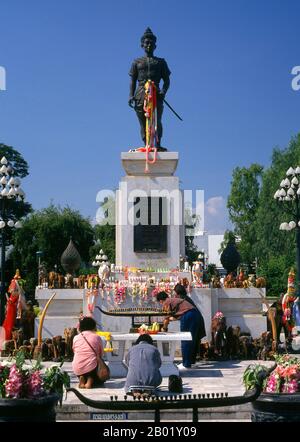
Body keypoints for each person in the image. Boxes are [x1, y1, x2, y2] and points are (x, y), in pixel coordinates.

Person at [128, 27, 171, 150]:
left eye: (151, 43)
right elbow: (132, 80)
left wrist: (163, 92)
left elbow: (167, 80)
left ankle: (157, 144)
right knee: (142, 121)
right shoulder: (137, 62)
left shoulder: (161, 62)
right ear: (142, 45)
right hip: (141, 93)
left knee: (157, 120)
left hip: (156, 93)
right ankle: (146, 143)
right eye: (146, 42)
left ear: (155, 46)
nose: (149, 45)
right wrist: (131, 95)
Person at [156, 291, 202, 369]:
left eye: (160, 302)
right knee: (191, 339)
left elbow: (167, 318)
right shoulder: (173, 300)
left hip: (188, 316)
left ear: (160, 300)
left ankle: (186, 364)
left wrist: (164, 329)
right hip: (195, 314)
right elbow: (173, 317)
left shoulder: (166, 302)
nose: (161, 304)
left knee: (185, 340)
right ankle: (189, 362)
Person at [173, 283, 206, 363]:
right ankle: (191, 361)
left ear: (177, 292)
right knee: (193, 340)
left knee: (187, 340)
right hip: (197, 318)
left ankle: (187, 362)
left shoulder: (181, 299)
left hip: (191, 320)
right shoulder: (186, 298)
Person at [72, 316, 104, 389]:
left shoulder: (76, 337)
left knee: (84, 367)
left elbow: (74, 351)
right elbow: (101, 354)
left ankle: (82, 377)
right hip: (92, 369)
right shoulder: (96, 337)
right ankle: (90, 380)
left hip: (77, 368)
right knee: (102, 377)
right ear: (93, 326)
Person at [2, 275, 26, 340]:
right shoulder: (14, 293)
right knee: (8, 322)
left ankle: (8, 336)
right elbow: (10, 301)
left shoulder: (17, 293)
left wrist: (17, 283)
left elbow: (19, 294)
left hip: (12, 308)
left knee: (10, 322)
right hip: (11, 308)